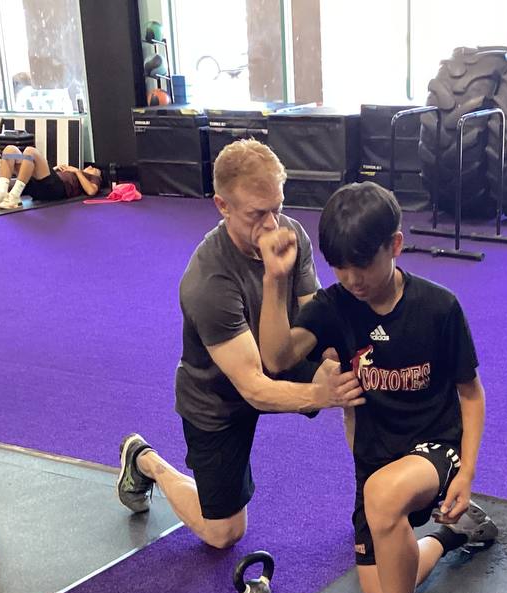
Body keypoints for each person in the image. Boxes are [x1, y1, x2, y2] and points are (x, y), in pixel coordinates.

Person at [257, 181, 497, 593]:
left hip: (436, 448)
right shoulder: (336, 304)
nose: (350, 279)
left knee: (383, 502)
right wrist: (276, 280)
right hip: (375, 460)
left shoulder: (439, 308)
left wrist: (466, 471)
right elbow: (275, 358)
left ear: (396, 245)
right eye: (338, 266)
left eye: (360, 265)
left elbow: (471, 395)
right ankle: (456, 536)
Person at [116, 139, 363, 548]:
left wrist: (338, 366)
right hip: (219, 396)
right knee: (224, 534)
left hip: (276, 353)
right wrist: (321, 393)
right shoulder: (207, 282)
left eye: (277, 207)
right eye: (256, 214)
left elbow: (315, 321)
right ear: (222, 206)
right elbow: (252, 387)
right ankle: (147, 460)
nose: (271, 224)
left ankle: (373, 507)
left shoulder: (290, 234)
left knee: (354, 378)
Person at [0, 146, 102, 209]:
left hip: (55, 190)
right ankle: (2, 193)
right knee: (9, 150)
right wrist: (56, 169)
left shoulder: (92, 177)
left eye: (94, 168)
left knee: (30, 151)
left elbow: (91, 191)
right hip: (38, 185)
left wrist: (77, 171)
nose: (91, 166)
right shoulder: (74, 172)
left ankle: (14, 196)